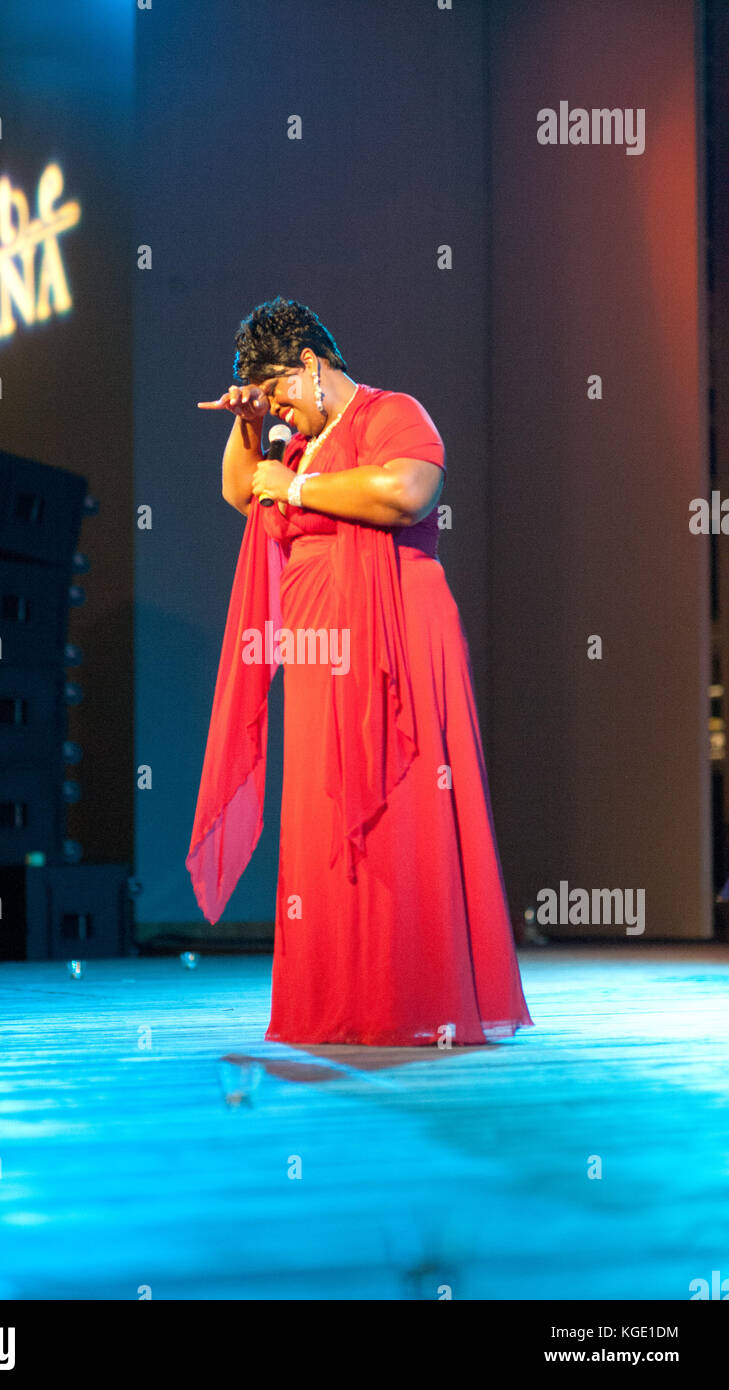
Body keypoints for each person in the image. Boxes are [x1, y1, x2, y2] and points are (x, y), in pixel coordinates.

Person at [187, 296, 534, 1046]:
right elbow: (239, 490)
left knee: (402, 802)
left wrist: (299, 488)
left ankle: (414, 996)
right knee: (323, 812)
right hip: (318, 646)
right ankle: (344, 996)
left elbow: (407, 492)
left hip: (401, 630)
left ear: (312, 365)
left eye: (278, 391)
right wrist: (250, 425)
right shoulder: (292, 447)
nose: (279, 409)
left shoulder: (390, 413)